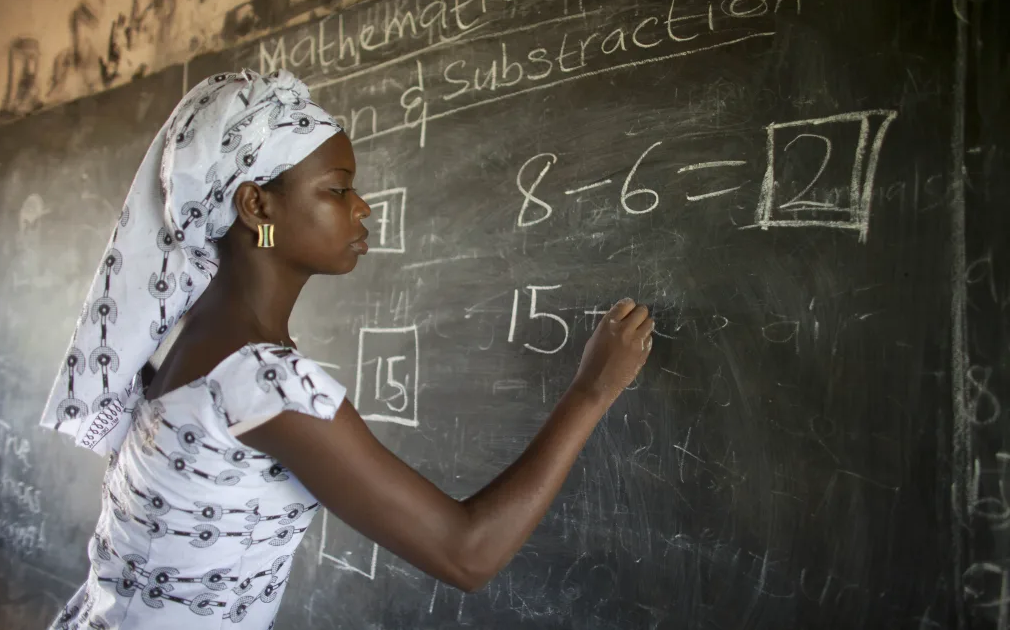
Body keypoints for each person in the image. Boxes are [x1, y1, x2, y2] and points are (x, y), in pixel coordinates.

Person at [41, 69, 655, 629]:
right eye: (336, 191)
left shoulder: (185, 351)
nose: (361, 207)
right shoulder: (264, 385)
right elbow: (468, 554)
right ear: (257, 206)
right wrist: (591, 391)